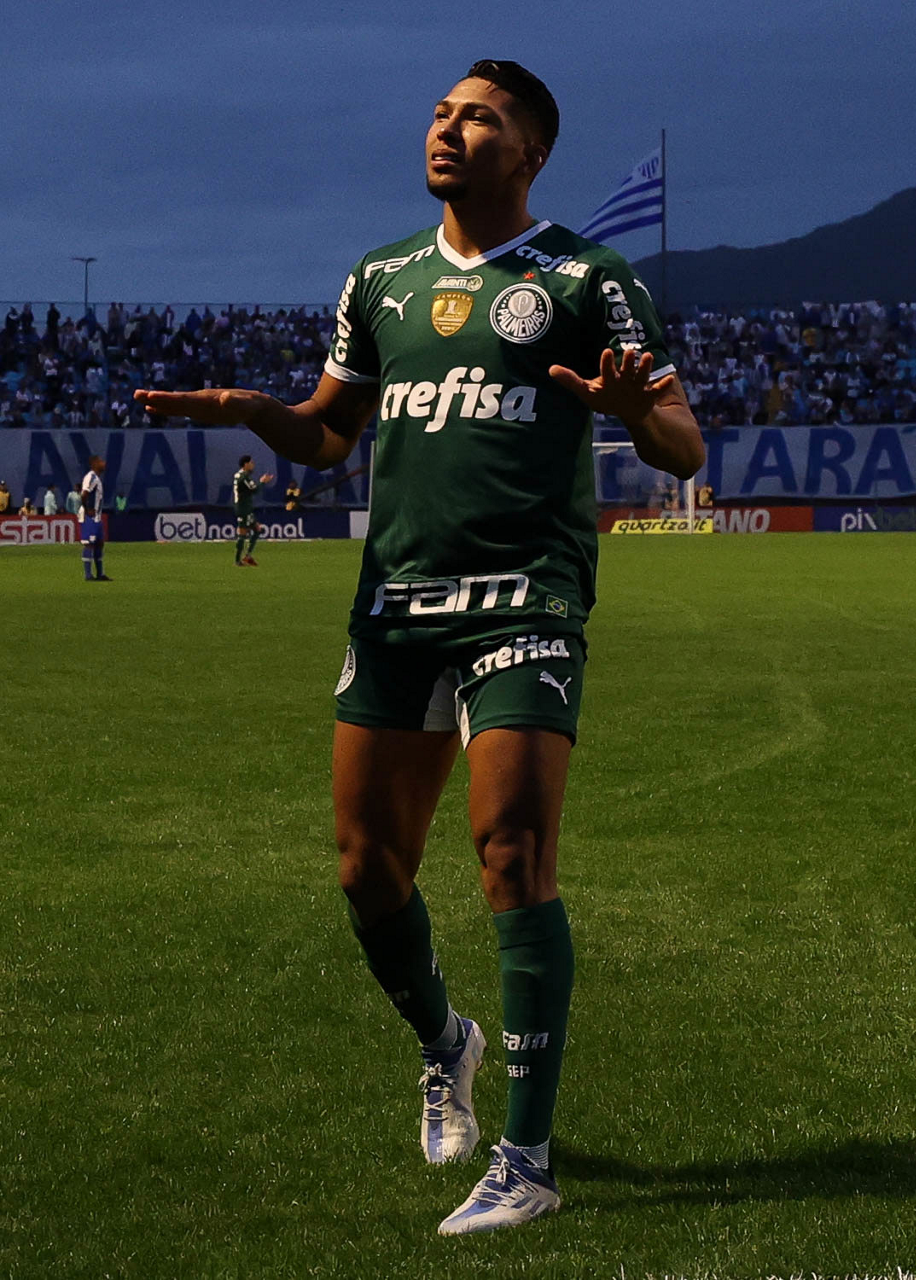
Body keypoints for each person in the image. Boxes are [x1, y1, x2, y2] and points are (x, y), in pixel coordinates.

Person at [134, 59, 704, 1236]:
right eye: (442, 113)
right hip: (395, 605)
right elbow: (329, 435)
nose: (448, 128)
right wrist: (257, 413)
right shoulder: (380, 277)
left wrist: (631, 412)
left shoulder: (588, 279)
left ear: (530, 151)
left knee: (512, 852)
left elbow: (683, 445)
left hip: (525, 598)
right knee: (365, 868)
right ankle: (447, 1042)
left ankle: (526, 1156)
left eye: (478, 117)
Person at [232, 455, 274, 566]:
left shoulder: (239, 475)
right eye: (251, 463)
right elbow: (254, 490)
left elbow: (249, 490)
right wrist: (263, 482)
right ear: (245, 464)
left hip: (246, 508)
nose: (253, 465)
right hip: (243, 509)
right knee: (242, 533)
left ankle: (247, 556)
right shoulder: (243, 477)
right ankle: (237, 560)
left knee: (257, 529)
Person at [79, 455, 111, 581]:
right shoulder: (91, 477)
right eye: (101, 461)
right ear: (95, 464)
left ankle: (100, 574)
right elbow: (84, 494)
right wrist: (87, 509)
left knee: (99, 543)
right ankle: (88, 575)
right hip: (90, 517)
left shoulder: (96, 478)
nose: (104, 463)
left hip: (97, 517)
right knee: (89, 544)